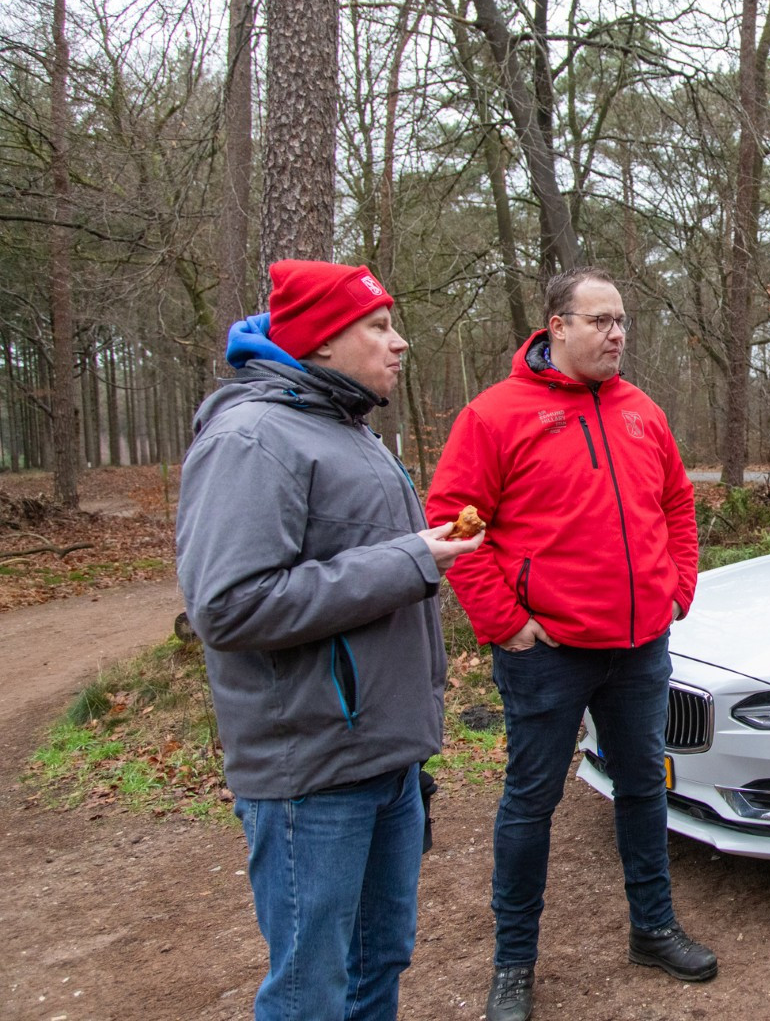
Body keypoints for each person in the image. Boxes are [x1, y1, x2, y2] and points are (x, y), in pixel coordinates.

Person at [177, 259, 483, 1021]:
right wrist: (411, 560)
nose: (399, 342)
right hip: (312, 774)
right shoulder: (253, 439)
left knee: (379, 962)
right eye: (378, 327)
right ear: (320, 342)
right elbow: (229, 606)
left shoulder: (348, 429)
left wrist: (417, 555)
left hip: (386, 759)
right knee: (311, 991)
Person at [425, 266, 713, 1021]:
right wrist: (504, 621)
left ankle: (653, 928)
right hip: (547, 653)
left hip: (640, 645)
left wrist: (677, 585)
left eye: (621, 321)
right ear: (556, 326)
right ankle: (513, 964)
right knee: (532, 801)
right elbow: (456, 523)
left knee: (643, 787)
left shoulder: (642, 411)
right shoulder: (495, 415)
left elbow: (677, 503)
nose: (617, 334)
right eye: (600, 321)